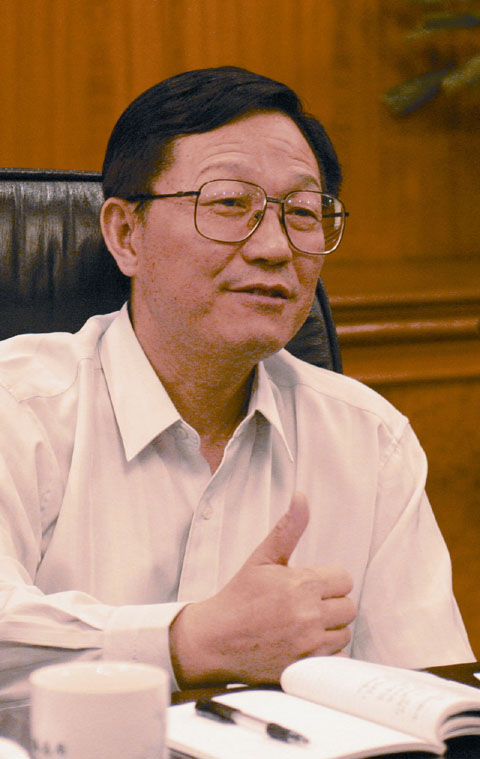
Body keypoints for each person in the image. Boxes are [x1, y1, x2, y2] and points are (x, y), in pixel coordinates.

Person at [0, 66, 474, 701]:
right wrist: (188, 642)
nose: (274, 247)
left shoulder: (369, 439)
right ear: (126, 234)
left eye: (301, 212)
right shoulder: (17, 409)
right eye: (228, 204)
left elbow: (429, 700)